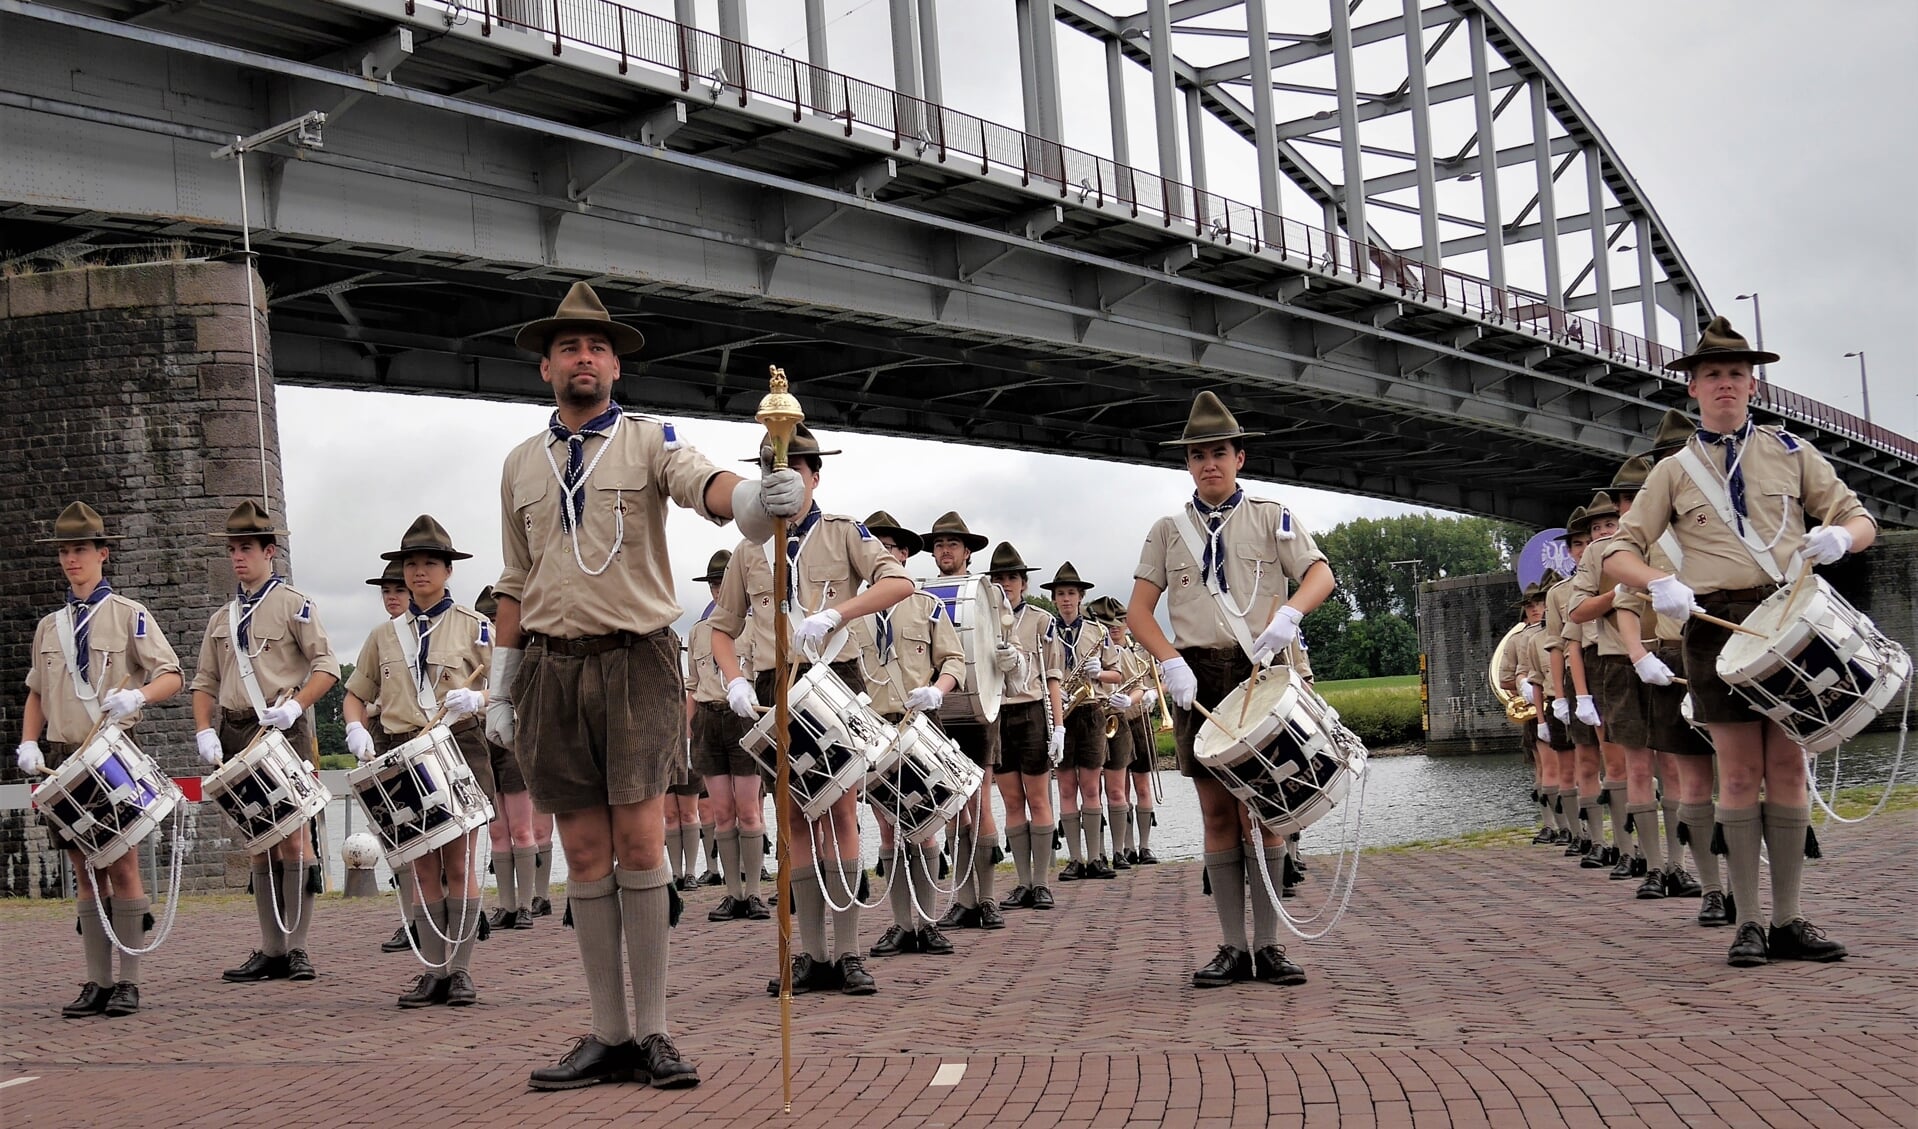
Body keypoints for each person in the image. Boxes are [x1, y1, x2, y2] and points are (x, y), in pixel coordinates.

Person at [488, 282, 804, 1089]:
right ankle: (609, 1032)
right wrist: (500, 686)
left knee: (640, 839)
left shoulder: (648, 436)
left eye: (596, 346)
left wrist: (760, 505)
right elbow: (514, 583)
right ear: (544, 368)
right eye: (567, 347)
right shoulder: (521, 464)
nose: (582, 357)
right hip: (553, 669)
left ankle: (656, 1029)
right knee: (584, 849)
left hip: (637, 659)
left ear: (616, 362)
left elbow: (709, 487)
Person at [1605, 318, 1875, 967]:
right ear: (1692, 387)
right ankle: (1747, 920)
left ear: (1753, 383)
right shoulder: (1672, 470)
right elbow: (1617, 549)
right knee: (1739, 770)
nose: (1725, 385)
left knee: (1786, 766)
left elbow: (1859, 517)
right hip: (1714, 628)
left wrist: (1841, 538)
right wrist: (1657, 582)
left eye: (1736, 374)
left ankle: (1788, 919)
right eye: (1712, 375)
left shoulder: (1790, 452)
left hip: (1786, 622)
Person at [1128, 392, 1335, 989]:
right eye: (1196, 456)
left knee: (1268, 808)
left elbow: (1320, 573)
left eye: (1218, 453)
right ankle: (1230, 947)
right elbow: (1141, 610)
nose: (1207, 464)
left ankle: (1269, 947)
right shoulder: (1168, 531)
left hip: (1260, 673)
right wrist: (1168, 661)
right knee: (1217, 814)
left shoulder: (1273, 516)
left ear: (1239, 457)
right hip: (1197, 672)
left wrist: (1290, 615)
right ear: (1187, 464)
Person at [709, 425, 917, 997]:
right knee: (795, 817)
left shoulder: (843, 532)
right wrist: (733, 681)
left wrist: (839, 614)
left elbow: (898, 581)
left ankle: (848, 953)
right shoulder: (747, 550)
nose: (783, 480)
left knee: (843, 812)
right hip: (775, 682)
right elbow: (720, 630)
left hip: (834, 676)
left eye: (795, 471)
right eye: (771, 471)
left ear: (815, 476)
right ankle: (811, 954)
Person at [17, 502, 184, 1018]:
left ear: (102, 554)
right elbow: (37, 693)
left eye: (81, 550)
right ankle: (96, 981)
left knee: (123, 865)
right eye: (65, 552)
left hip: (111, 751)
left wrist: (139, 697)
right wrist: (29, 742)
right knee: (83, 870)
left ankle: (129, 980)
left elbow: (172, 674)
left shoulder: (130, 615)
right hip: (66, 757)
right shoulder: (50, 626)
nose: (72, 560)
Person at [343, 516, 494, 1007]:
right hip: (402, 748)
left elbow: (509, 687)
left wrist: (480, 701)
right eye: (411, 563)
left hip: (458, 744)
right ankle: (433, 971)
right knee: (421, 865)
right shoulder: (383, 636)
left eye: (430, 562)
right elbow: (355, 694)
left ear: (448, 570)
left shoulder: (476, 627)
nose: (419, 571)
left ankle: (462, 970)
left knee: (460, 860)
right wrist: (355, 729)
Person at [192, 500, 340, 984]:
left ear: (269, 550)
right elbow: (205, 682)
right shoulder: (222, 619)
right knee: (257, 841)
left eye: (247, 548)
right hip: (237, 729)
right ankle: (271, 949)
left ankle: (297, 948)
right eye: (233, 548)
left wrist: (297, 706)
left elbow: (327, 667)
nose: (238, 556)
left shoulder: (294, 604)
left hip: (283, 727)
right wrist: (204, 730)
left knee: (294, 839)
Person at [847, 511, 966, 957]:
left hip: (917, 720)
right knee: (888, 828)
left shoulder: (927, 606)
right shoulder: (850, 612)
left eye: (894, 549)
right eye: (878, 548)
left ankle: (928, 921)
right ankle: (901, 925)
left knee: (926, 824)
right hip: (871, 725)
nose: (886, 555)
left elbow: (954, 660)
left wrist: (937, 691)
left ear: (905, 556)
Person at [916, 513, 1014, 917]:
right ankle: (963, 898)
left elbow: (1007, 652)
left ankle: (987, 898)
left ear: (967, 551)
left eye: (952, 544)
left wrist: (1010, 660)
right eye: (939, 545)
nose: (944, 551)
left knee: (980, 804)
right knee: (952, 806)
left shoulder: (989, 593)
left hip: (981, 709)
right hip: (940, 712)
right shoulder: (920, 593)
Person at [686, 549, 770, 921]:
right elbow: (692, 685)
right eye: (715, 584)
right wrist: (690, 731)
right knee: (721, 812)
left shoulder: (755, 626)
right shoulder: (698, 631)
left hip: (745, 718)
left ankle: (753, 891)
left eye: (725, 583)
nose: (720, 590)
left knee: (749, 811)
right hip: (708, 719)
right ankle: (732, 893)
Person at [983, 542, 1064, 914]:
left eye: (1012, 577)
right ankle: (1022, 881)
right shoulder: (982, 621)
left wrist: (1059, 727)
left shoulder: (1041, 620)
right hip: (997, 713)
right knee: (1013, 801)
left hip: (1031, 711)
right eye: (998, 578)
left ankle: (1043, 883)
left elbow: (1053, 678)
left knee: (1039, 798)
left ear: (1024, 583)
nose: (1005, 584)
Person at [1043, 563, 1124, 881]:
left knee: (1091, 787)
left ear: (1081, 597)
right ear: (1053, 597)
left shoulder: (1098, 632)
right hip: (1059, 710)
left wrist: (1098, 673)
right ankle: (1074, 859)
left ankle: (1096, 857)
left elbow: (1116, 674)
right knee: (1065, 787)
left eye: (1071, 593)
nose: (1065, 599)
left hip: (1090, 709)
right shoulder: (1046, 630)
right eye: (1060, 593)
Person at [471, 585, 540, 931]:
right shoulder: (472, 651)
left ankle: (526, 905)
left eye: (495, 618)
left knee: (522, 828)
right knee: (498, 830)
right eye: (486, 619)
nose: (491, 624)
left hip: (512, 737)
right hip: (484, 740)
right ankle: (506, 906)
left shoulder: (518, 653)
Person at [1544, 507, 1604, 862]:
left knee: (1630, 761)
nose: (1584, 548)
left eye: (1588, 539)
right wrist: (1564, 696)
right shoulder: (1560, 594)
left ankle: (1638, 846)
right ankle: (1596, 840)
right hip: (1581, 672)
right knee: (1585, 762)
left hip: (1620, 664)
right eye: (1577, 543)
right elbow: (1559, 644)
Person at [1499, 580, 1556, 844]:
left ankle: (1576, 825)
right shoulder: (1517, 639)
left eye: (1540, 603)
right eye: (1530, 605)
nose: (1535, 609)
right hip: (1536, 708)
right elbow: (1505, 678)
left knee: (1575, 766)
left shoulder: (1561, 628)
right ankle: (1549, 824)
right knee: (1543, 767)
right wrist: (1523, 686)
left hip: (1561, 700)